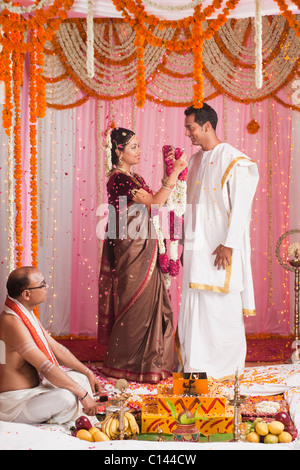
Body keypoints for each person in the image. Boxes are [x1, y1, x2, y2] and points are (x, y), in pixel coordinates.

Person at [97, 127, 187, 383]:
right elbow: (157, 202)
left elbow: (157, 201)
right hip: (133, 249)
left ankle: (149, 360)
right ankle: (129, 363)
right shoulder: (120, 179)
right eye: (133, 146)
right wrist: (176, 172)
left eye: (138, 145)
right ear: (118, 151)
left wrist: (172, 174)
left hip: (144, 245)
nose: (138, 150)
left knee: (150, 303)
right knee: (136, 303)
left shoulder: (131, 177)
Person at [176, 103, 259, 380]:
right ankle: (194, 366)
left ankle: (226, 370)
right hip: (196, 248)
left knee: (220, 307)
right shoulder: (197, 160)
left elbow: (242, 208)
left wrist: (229, 244)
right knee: (195, 304)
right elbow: (192, 204)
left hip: (220, 250)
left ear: (207, 126)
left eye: (191, 128)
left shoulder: (236, 160)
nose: (188, 133)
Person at [0, 266, 102, 425]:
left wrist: (88, 373)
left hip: (34, 391)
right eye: (42, 285)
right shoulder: (12, 322)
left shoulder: (24, 313)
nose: (47, 287)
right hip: (15, 404)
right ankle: (59, 416)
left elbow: (58, 350)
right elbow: (45, 366)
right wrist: (83, 395)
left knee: (80, 377)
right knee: (67, 397)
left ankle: (60, 412)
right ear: (26, 294)